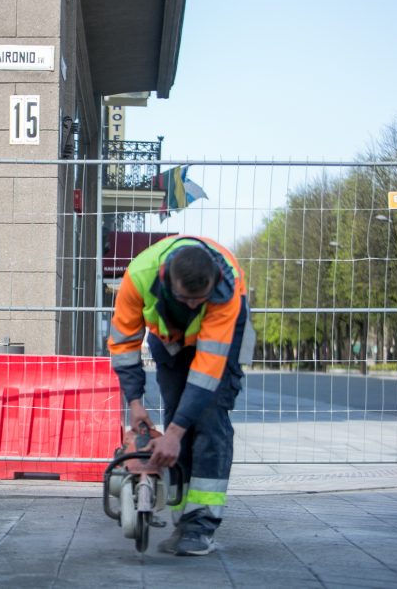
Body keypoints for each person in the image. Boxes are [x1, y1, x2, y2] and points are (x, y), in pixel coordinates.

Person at [107, 235, 254, 556]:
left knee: (208, 418)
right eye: (186, 299)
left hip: (221, 338)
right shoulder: (140, 275)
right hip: (169, 338)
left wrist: (174, 432)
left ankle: (200, 524)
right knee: (176, 414)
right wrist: (134, 403)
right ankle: (181, 513)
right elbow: (124, 342)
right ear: (166, 279)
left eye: (199, 299)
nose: (192, 306)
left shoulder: (225, 292)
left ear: (212, 284)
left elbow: (207, 372)